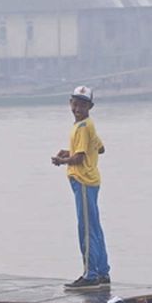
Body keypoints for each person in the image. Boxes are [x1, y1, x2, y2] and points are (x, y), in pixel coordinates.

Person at [51, 86, 109, 288]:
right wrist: (71, 150)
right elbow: (99, 148)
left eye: (82, 105)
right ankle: (103, 271)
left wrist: (61, 159)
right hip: (91, 180)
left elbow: (79, 158)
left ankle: (90, 274)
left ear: (90, 106)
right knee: (95, 227)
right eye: (75, 103)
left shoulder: (84, 127)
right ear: (70, 103)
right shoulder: (86, 126)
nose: (77, 108)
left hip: (83, 180)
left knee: (86, 229)